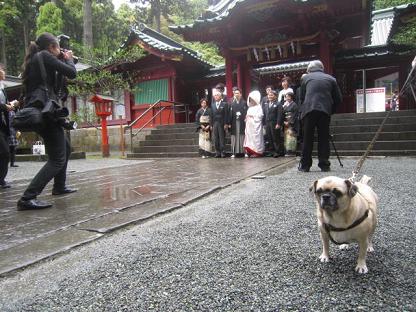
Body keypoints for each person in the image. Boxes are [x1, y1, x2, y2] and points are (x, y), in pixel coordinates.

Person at [17, 32, 77, 210]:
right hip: (45, 113)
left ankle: (59, 186)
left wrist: (64, 59)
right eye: (58, 47)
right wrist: (69, 59)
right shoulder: (44, 56)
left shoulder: (39, 59)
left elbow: (59, 83)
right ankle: (27, 198)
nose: (60, 50)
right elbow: (72, 72)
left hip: (45, 110)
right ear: (52, 47)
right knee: (57, 159)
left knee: (65, 148)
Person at [298, 60, 342, 172]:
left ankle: (305, 166)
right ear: (321, 68)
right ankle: (324, 164)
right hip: (324, 111)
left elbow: (302, 98)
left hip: (309, 110)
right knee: (324, 138)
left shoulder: (305, 78)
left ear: (309, 69)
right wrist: (331, 110)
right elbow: (338, 99)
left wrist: (302, 111)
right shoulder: (331, 79)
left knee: (307, 138)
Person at [0, 63, 16, 189]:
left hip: (3, 124)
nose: (4, 72)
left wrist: (10, 104)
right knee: (5, 152)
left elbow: (4, 104)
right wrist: (5, 106)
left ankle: (1, 179)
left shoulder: (2, 88)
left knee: (5, 152)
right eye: (2, 70)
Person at [262, 89, 283, 157]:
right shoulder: (266, 104)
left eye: (271, 95)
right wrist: (264, 124)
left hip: (274, 123)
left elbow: (280, 114)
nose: (270, 96)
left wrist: (278, 123)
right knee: (269, 137)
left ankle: (277, 151)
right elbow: (264, 115)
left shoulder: (278, 104)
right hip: (267, 123)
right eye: (269, 95)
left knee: (275, 137)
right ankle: (271, 151)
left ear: (275, 96)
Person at [244, 90, 264, 157]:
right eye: (250, 99)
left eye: (252, 99)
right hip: (249, 126)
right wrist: (246, 118)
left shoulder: (259, 107)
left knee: (256, 138)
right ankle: (250, 151)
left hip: (255, 125)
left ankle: (256, 152)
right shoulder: (250, 108)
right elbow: (247, 115)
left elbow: (260, 116)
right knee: (249, 138)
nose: (251, 101)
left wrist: (252, 117)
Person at [228, 87, 247, 158]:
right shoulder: (231, 102)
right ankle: (234, 152)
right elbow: (229, 113)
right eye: (235, 93)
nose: (236, 94)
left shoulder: (244, 102)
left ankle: (243, 151)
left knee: (242, 136)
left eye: (238, 93)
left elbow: (246, 112)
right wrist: (229, 123)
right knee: (234, 137)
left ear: (241, 94)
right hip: (234, 122)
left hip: (242, 122)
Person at [211, 90, 228, 158]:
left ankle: (223, 152)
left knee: (222, 138)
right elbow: (211, 115)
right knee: (216, 138)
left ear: (221, 96)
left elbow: (226, 114)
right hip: (215, 123)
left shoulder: (224, 104)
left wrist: (226, 123)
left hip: (222, 123)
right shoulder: (212, 105)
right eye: (215, 96)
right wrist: (211, 125)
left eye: (217, 95)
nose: (216, 97)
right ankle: (217, 152)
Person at [282, 91, 299, 156]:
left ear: (292, 97)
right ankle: (287, 151)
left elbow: (294, 115)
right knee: (286, 137)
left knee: (292, 137)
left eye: (289, 96)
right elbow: (283, 114)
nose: (287, 98)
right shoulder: (285, 105)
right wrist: (284, 121)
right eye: (286, 97)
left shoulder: (294, 105)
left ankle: (292, 152)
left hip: (292, 123)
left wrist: (289, 122)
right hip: (286, 122)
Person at [8, 101, 21, 167]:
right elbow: (15, 122)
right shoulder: (12, 113)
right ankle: (11, 163)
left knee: (10, 148)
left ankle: (10, 163)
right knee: (12, 148)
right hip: (12, 131)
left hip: (9, 132)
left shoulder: (9, 112)